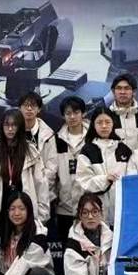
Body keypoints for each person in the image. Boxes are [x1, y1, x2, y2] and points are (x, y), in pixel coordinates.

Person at [0, 109, 48, 243]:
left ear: (21, 127)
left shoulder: (31, 152)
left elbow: (41, 184)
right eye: (6, 125)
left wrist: (42, 215)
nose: (10, 129)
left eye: (14, 125)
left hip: (24, 211)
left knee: (23, 252)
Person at [75, 107, 133, 225]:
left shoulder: (124, 149)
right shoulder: (87, 150)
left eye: (107, 122)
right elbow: (84, 182)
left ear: (113, 124)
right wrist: (105, 179)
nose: (104, 126)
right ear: (93, 125)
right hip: (97, 213)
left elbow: (132, 179)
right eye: (99, 122)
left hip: (122, 211)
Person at [52, 96, 90, 241]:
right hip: (64, 209)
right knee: (67, 248)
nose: (72, 117)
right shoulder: (56, 140)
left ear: (83, 113)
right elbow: (51, 174)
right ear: (63, 116)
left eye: (76, 112)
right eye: (68, 113)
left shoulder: (92, 138)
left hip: (89, 207)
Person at [17, 91, 57, 222]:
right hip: (19, 192)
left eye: (33, 105)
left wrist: (40, 183)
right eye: (25, 105)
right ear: (19, 108)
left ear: (39, 109)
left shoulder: (48, 134)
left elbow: (52, 166)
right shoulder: (13, 133)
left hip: (44, 191)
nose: (29, 109)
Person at [108, 73, 138, 151]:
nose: (122, 92)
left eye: (127, 88)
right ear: (113, 92)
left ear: (134, 92)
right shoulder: (106, 117)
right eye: (119, 88)